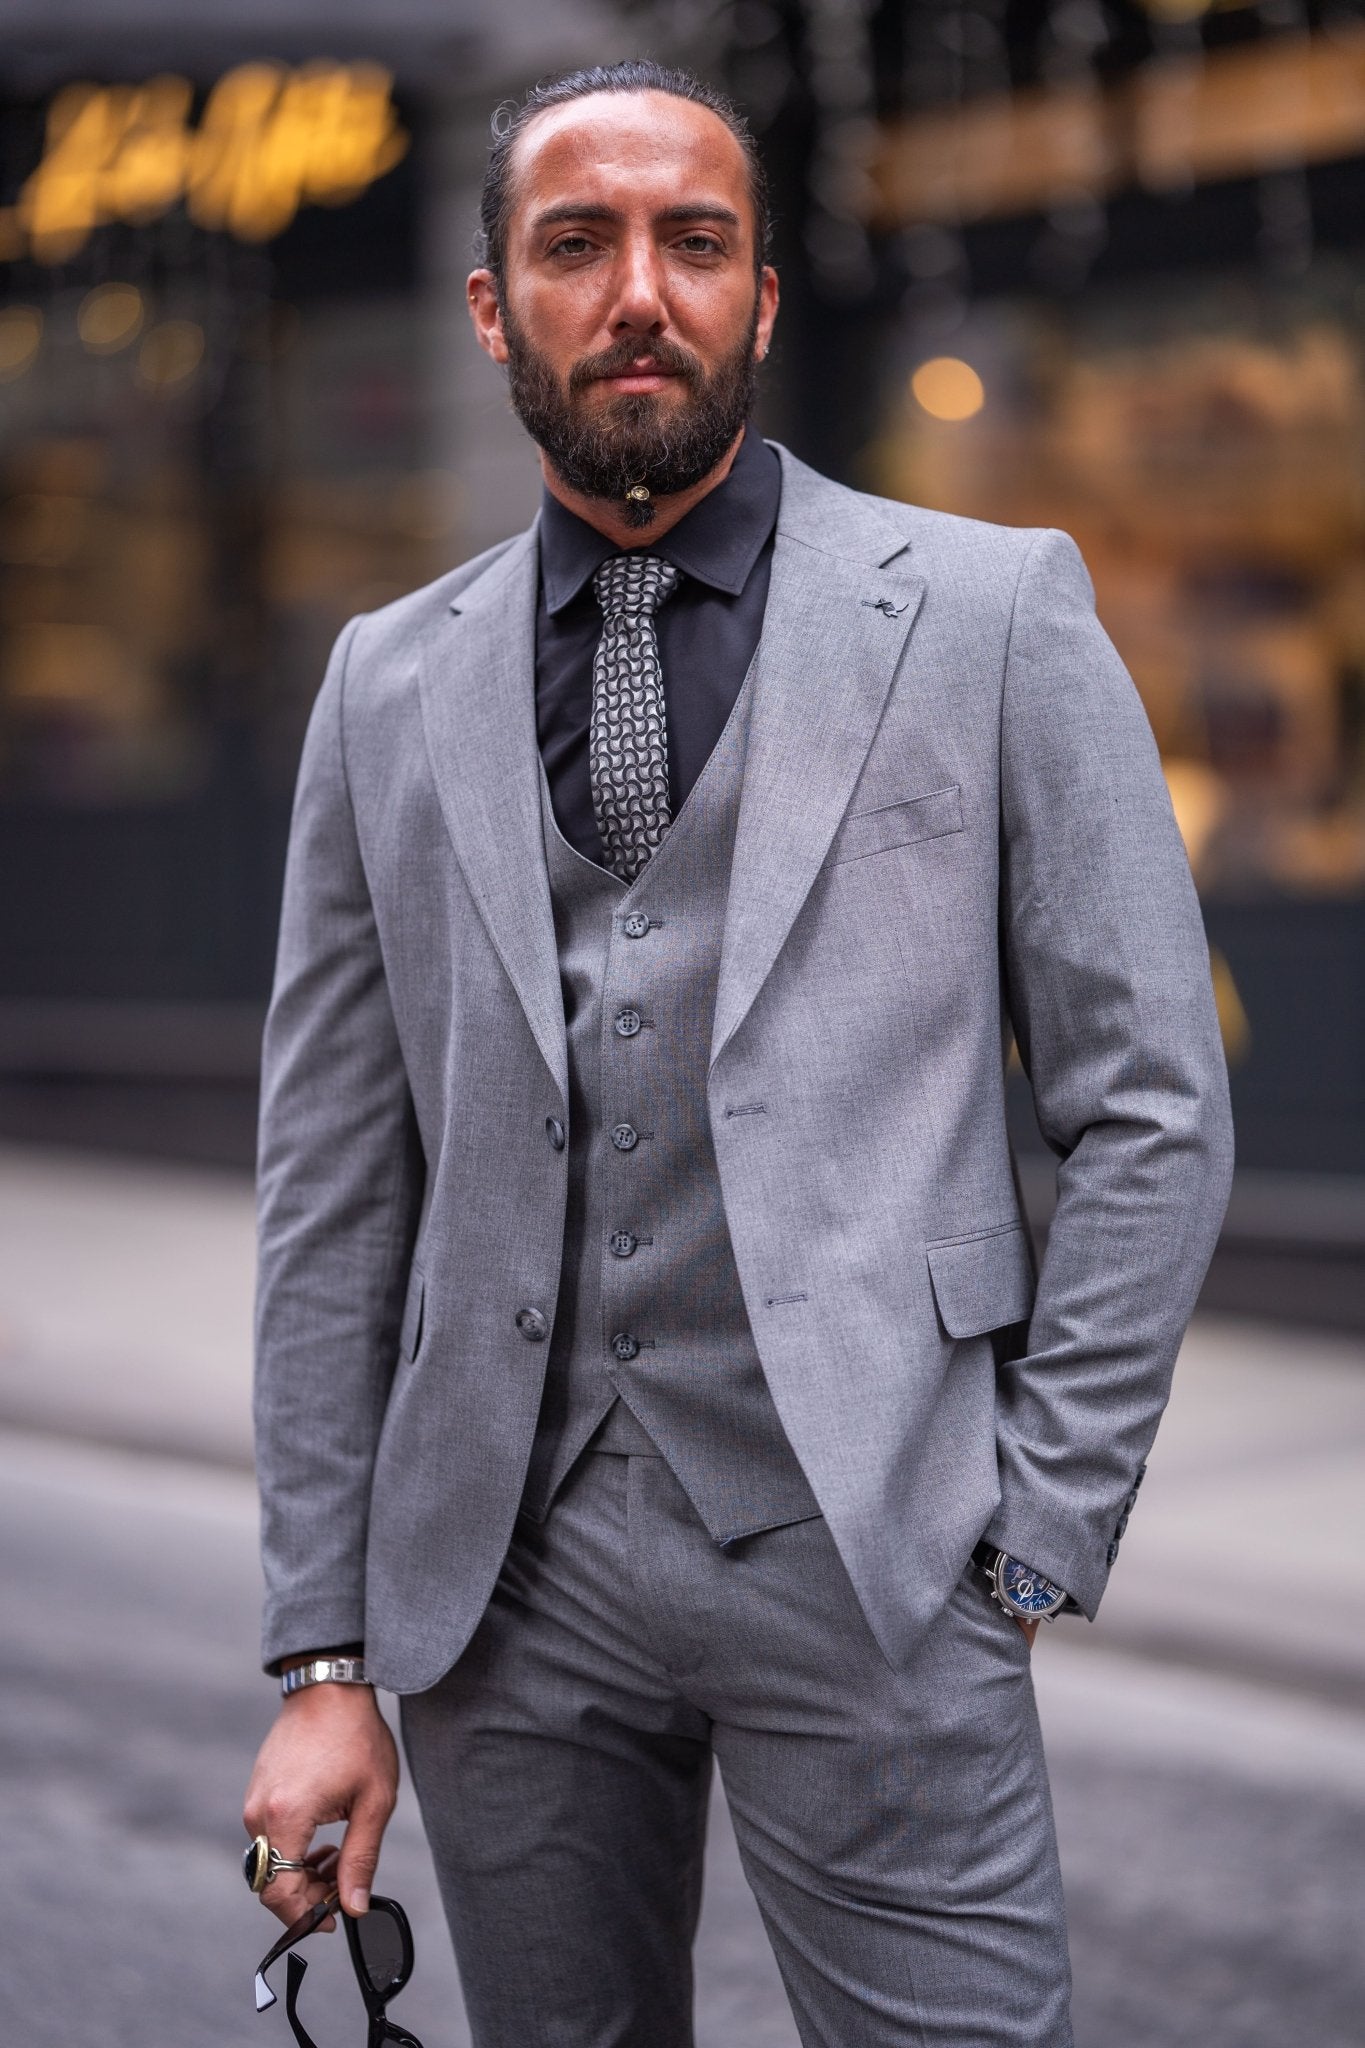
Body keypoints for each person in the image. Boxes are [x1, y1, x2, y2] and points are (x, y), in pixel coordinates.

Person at [243, 59, 1233, 2048]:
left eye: (694, 244)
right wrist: (322, 1651)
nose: (638, 293)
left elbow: (1148, 1107)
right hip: (500, 1592)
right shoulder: (384, 684)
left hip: (873, 1556)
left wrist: (1027, 1544)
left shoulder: (987, 614)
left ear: (762, 300)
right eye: (575, 243)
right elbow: (334, 1186)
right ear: (488, 305)